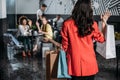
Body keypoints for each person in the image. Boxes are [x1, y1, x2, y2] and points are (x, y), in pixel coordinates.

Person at [60, 0, 111, 80]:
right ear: (88, 10)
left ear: (76, 8)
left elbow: (64, 47)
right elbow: (102, 39)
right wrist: (104, 22)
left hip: (74, 65)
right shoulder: (92, 24)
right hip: (89, 65)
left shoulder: (67, 24)